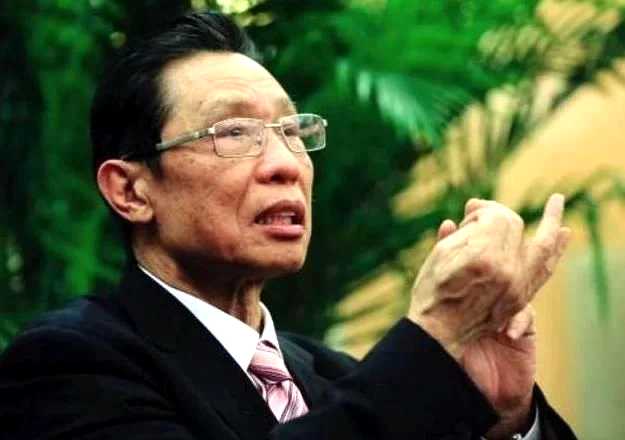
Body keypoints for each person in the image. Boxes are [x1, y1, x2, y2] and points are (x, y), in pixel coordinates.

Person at [0, 11, 576, 440]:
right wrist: (433, 334)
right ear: (131, 190)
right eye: (233, 132)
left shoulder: (335, 375)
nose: (285, 165)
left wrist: (509, 418)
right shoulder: (67, 363)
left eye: (293, 131)